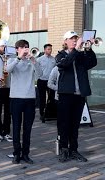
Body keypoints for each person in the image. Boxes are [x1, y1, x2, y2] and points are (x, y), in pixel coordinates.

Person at [56, 31, 97, 163]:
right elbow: (65, 64)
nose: (75, 41)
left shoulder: (80, 55)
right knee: (64, 124)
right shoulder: (60, 55)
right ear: (65, 41)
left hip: (79, 95)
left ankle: (74, 150)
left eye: (76, 39)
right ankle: (64, 150)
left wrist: (89, 49)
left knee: (74, 125)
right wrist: (77, 50)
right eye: (72, 39)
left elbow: (92, 63)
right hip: (65, 95)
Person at [6, 40, 43, 164]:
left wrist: (33, 60)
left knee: (27, 128)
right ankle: (17, 153)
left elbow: (40, 74)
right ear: (17, 49)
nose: (25, 49)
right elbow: (8, 70)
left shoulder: (32, 61)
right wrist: (18, 58)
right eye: (22, 47)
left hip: (29, 99)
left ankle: (26, 154)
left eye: (26, 47)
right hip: (16, 98)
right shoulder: (12, 60)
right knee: (16, 127)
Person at [36, 44, 56, 121]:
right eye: (48, 49)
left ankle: (51, 113)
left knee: (51, 98)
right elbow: (36, 69)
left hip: (50, 81)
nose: (50, 50)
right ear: (44, 50)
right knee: (42, 98)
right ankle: (42, 114)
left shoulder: (53, 60)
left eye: (50, 49)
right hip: (41, 81)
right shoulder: (39, 59)